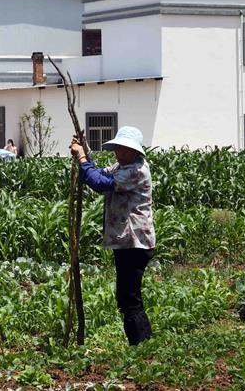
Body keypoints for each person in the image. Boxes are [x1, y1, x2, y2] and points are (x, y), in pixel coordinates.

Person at [70, 126, 155, 346]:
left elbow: (100, 184)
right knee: (127, 295)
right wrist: (85, 153)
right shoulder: (122, 166)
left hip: (135, 242)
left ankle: (142, 345)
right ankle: (142, 344)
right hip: (127, 241)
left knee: (129, 297)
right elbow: (97, 174)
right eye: (118, 147)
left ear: (134, 151)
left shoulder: (136, 170)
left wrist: (82, 158)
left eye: (124, 148)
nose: (119, 152)